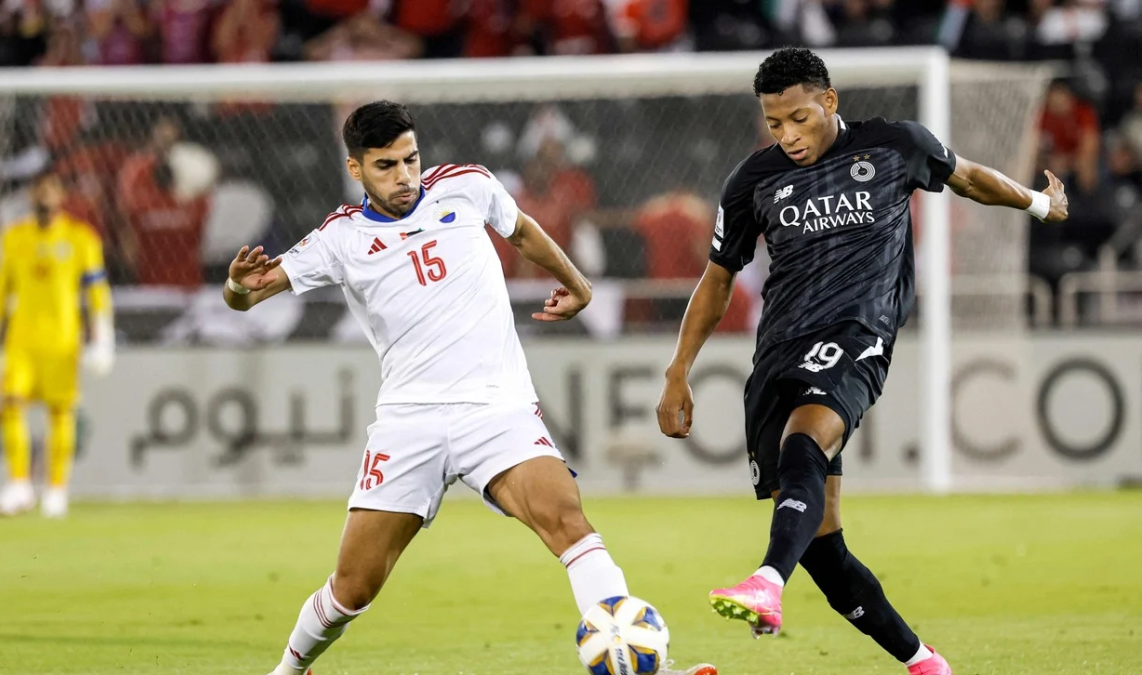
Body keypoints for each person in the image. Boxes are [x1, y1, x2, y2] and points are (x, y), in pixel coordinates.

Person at [223, 100, 715, 675]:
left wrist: (576, 285)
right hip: (410, 420)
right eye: (386, 166)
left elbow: (524, 232)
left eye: (411, 159)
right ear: (355, 169)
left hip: (496, 408)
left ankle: (641, 668)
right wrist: (236, 287)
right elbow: (251, 292)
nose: (404, 175)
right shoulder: (339, 239)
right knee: (352, 589)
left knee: (568, 522)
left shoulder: (467, 187)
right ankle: (287, 671)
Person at [655, 48, 1068, 675]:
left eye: (798, 117)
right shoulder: (752, 181)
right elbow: (717, 280)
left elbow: (969, 177)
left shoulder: (894, 146)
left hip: (858, 332)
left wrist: (1038, 205)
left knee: (805, 443)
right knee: (823, 549)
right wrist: (678, 368)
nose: (787, 135)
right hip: (779, 351)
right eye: (774, 123)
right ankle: (924, 662)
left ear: (829, 101)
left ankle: (767, 580)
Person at [0, 166, 115, 518]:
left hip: (62, 341)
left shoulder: (81, 238)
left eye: (50, 189)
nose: (44, 196)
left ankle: (56, 490)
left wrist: (102, 339)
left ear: (61, 195)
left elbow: (96, 292)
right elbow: (0, 294)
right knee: (10, 405)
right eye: (38, 189)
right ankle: (19, 485)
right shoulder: (12, 237)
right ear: (30, 195)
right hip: (21, 341)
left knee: (60, 413)